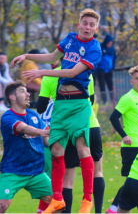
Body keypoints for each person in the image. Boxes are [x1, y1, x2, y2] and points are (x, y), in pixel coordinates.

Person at [11, 8, 102, 213]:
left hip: (79, 103)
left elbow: (71, 72)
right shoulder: (70, 39)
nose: (87, 27)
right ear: (79, 24)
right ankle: (58, 199)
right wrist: (26, 55)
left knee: (82, 148)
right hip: (60, 103)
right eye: (85, 23)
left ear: (96, 29)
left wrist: (40, 71)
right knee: (56, 151)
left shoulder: (94, 48)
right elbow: (52, 55)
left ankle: (87, 200)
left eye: (92, 25)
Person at [36, 67, 105, 213]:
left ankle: (63, 205)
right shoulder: (86, 72)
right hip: (90, 123)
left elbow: (41, 106)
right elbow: (91, 100)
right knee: (98, 171)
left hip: (65, 127)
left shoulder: (50, 75)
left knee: (67, 176)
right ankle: (95, 208)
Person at [105, 65, 138, 214]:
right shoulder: (128, 98)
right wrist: (124, 135)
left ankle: (114, 209)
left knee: (135, 181)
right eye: (136, 78)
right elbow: (113, 117)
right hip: (131, 147)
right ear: (131, 81)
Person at [0, 81, 52, 213]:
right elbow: (23, 128)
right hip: (13, 171)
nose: (28, 94)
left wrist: (64, 146)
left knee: (58, 205)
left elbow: (47, 140)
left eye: (27, 91)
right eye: (23, 91)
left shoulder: (33, 115)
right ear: (12, 97)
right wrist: (40, 132)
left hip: (36, 172)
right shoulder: (7, 116)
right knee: (2, 206)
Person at [97, 34, 117, 104]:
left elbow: (114, 58)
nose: (110, 44)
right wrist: (98, 69)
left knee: (110, 85)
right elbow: (97, 58)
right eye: (109, 43)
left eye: (111, 43)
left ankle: (113, 100)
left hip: (109, 70)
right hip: (101, 70)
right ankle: (104, 100)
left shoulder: (112, 48)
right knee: (102, 86)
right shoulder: (100, 46)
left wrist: (113, 68)